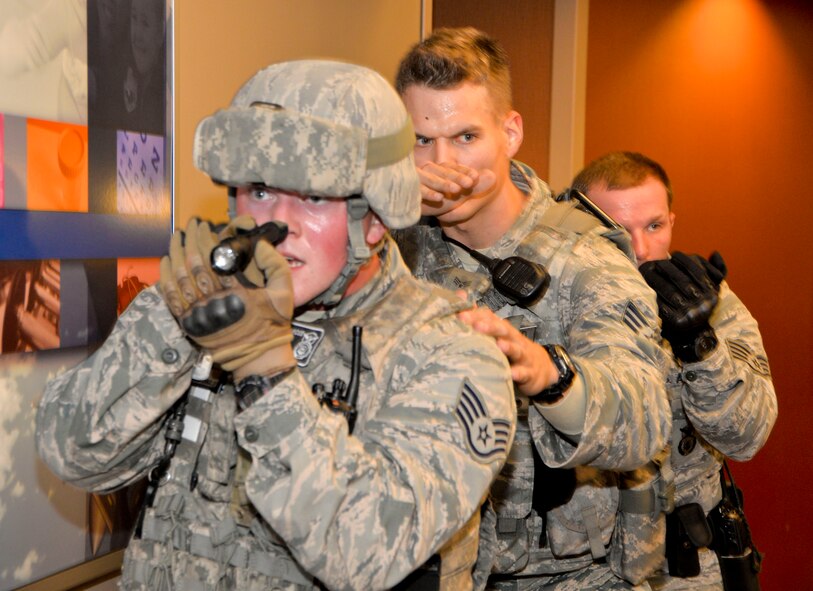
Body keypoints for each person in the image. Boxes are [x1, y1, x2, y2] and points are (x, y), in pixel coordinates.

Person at [36, 59, 517, 591]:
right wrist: (170, 324)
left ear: (375, 218)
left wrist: (266, 370)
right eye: (261, 191)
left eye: (313, 198)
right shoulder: (213, 311)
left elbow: (364, 553)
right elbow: (75, 456)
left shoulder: (451, 353)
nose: (276, 226)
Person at [394, 27, 672, 590]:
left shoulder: (586, 259)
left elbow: (646, 415)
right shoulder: (388, 245)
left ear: (510, 132)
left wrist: (549, 374)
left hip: (557, 577)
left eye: (466, 136)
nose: (443, 164)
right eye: (422, 140)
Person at [571, 151, 778, 590]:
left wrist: (699, 345)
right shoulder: (556, 304)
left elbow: (747, 437)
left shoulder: (710, 302)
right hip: (580, 566)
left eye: (654, 226)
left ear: (672, 221)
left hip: (686, 564)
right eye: (617, 231)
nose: (641, 251)